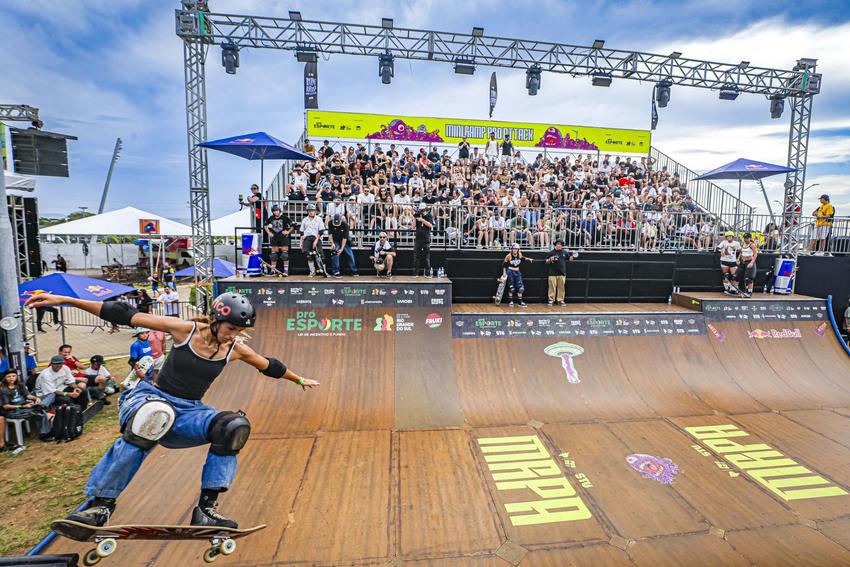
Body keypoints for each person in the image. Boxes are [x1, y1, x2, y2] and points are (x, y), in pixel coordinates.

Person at [24, 291, 319, 530]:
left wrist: (299, 379)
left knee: (232, 427)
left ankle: (206, 511)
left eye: (240, 331)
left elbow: (270, 366)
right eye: (231, 329)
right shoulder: (185, 330)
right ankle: (100, 505)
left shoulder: (235, 349)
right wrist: (65, 300)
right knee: (154, 417)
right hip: (150, 399)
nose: (234, 336)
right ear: (216, 319)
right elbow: (123, 314)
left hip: (190, 412)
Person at [1, 369, 51, 450]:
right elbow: (6, 406)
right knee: (38, 412)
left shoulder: (20, 385)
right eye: (8, 376)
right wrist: (22, 406)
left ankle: (44, 433)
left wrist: (36, 398)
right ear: (4, 378)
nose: (11, 378)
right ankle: (44, 434)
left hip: (24, 407)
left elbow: (28, 396)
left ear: (16, 376)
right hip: (12, 411)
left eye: (13, 376)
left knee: (41, 407)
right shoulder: (3, 389)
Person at [264, 205, 294, 276]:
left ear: (279, 211)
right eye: (274, 211)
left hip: (283, 238)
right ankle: (273, 270)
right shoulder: (271, 218)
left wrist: (288, 232)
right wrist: (269, 232)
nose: (276, 212)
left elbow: (293, 225)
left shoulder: (284, 217)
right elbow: (265, 225)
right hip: (274, 238)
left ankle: (286, 271)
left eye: (277, 210)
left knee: (285, 255)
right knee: (273, 255)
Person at [545, 240, 576, 306]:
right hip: (552, 273)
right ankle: (551, 300)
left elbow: (570, 259)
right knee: (552, 288)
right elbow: (546, 261)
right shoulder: (551, 252)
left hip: (562, 273)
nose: (559, 245)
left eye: (561, 244)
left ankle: (560, 300)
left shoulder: (565, 252)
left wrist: (573, 255)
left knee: (561, 288)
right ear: (555, 245)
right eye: (558, 244)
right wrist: (550, 259)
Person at [300, 203, 326, 276]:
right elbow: (301, 232)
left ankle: (323, 270)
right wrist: (301, 242)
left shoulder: (319, 219)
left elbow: (321, 231)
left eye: (312, 210)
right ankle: (312, 271)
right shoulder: (305, 220)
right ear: (307, 212)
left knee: (320, 255)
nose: (311, 212)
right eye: (309, 211)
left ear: (315, 211)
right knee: (308, 255)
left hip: (316, 237)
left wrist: (316, 240)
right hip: (307, 238)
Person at [717, 231, 742, 295]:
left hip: (733, 261)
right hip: (724, 261)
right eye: (727, 236)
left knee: (735, 276)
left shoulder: (736, 243)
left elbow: (740, 251)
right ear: (726, 237)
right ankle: (727, 289)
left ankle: (734, 289)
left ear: (732, 237)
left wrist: (738, 258)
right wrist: (721, 251)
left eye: (730, 236)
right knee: (726, 275)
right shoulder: (723, 242)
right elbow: (717, 248)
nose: (729, 238)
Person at [413, 203, 434, 277]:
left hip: (426, 240)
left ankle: (427, 273)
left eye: (422, 210)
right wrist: (415, 218)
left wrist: (422, 220)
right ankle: (416, 273)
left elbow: (430, 225)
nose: (422, 211)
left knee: (426, 258)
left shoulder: (429, 216)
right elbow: (413, 226)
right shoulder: (418, 215)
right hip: (418, 239)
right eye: (421, 210)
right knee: (416, 258)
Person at [736, 232, 758, 298]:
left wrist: (752, 262)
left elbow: (755, 254)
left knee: (748, 278)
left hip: (749, 261)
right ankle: (740, 291)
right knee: (738, 276)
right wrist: (738, 259)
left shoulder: (752, 245)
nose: (745, 239)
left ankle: (749, 292)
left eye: (747, 238)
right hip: (743, 261)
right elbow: (741, 252)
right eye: (745, 238)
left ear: (750, 238)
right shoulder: (743, 244)